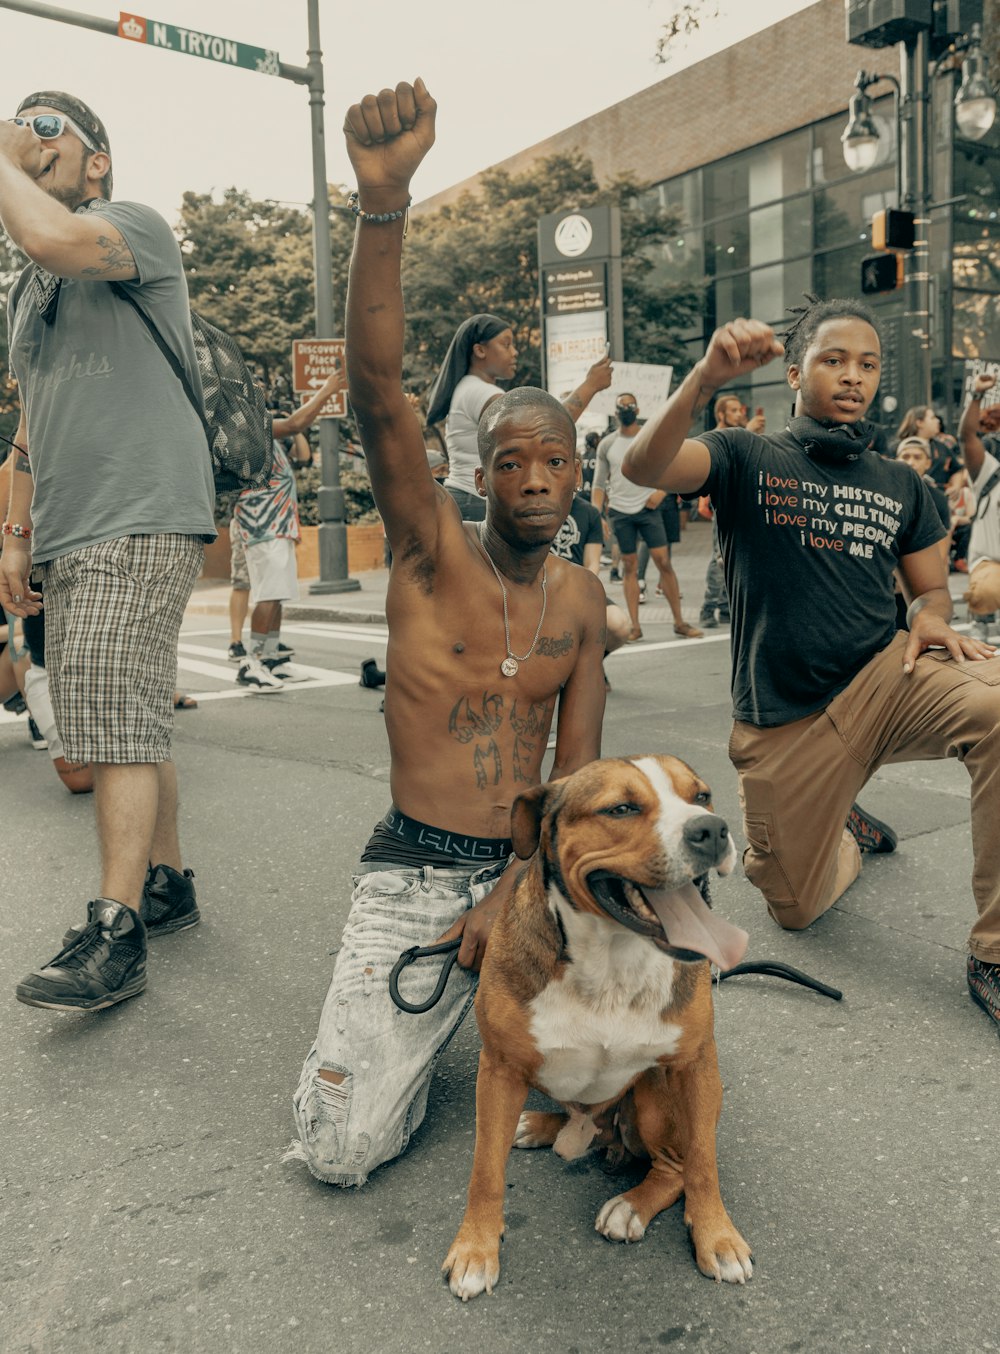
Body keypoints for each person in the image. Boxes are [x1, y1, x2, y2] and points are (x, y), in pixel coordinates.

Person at [289, 77, 607, 1187]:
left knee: (637, 1083)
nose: (530, 479)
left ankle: (513, 1015)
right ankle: (436, 1034)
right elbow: (377, 388)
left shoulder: (580, 602)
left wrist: (525, 892)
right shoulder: (430, 548)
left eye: (553, 462)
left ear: (577, 476)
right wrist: (384, 203)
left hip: (537, 876)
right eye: (508, 460)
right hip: (418, 869)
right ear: (479, 472)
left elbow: (578, 780)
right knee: (341, 1146)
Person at [620, 296, 1000, 1031]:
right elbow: (647, 466)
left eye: (867, 364)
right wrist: (704, 379)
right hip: (785, 720)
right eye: (833, 360)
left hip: (888, 680)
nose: (852, 376)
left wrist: (928, 620)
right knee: (794, 905)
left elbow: (929, 593)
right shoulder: (744, 458)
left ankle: (994, 950)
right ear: (795, 371)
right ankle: (843, 829)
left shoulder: (905, 485)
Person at [0, 93, 217, 1011]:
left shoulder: (130, 228)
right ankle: (165, 885)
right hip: (72, 521)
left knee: (113, 709)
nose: (29, 136)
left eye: (50, 126)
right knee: (123, 703)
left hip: (143, 507)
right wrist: (16, 534)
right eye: (23, 122)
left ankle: (115, 930)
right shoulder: (25, 286)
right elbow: (27, 429)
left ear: (97, 162)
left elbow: (49, 237)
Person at [425, 317, 613, 522]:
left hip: (470, 500)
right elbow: (546, 426)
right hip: (477, 504)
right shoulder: (478, 391)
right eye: (506, 344)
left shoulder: (471, 388)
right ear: (480, 351)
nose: (514, 352)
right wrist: (591, 385)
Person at [231, 367, 345, 692]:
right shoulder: (245, 425)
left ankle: (270, 659)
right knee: (267, 595)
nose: (260, 387)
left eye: (261, 383)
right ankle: (251, 663)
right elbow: (296, 423)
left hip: (278, 524)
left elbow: (301, 452)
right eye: (253, 384)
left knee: (277, 595)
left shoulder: (261, 424)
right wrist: (327, 390)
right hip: (263, 524)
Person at [592, 393, 703, 640]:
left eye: (630, 405)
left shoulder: (649, 437)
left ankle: (679, 622)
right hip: (620, 512)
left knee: (663, 561)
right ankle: (635, 626)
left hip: (649, 510)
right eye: (622, 406)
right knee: (629, 565)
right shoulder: (607, 444)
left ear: (638, 408)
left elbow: (674, 466)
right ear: (616, 412)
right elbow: (599, 484)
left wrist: (662, 492)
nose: (626, 409)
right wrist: (595, 513)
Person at [548, 450, 631, 686]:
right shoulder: (537, 505)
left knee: (619, 626)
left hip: (576, 586)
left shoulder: (589, 513)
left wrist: (581, 593)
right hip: (539, 589)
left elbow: (592, 563)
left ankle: (590, 663)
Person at [958, 373, 1000, 645]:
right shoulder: (989, 474)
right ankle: (980, 622)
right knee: (988, 588)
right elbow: (966, 436)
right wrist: (976, 394)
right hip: (991, 564)